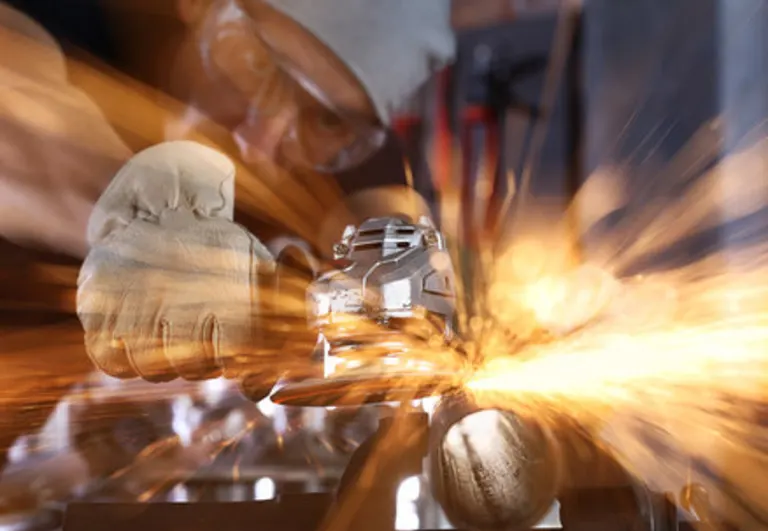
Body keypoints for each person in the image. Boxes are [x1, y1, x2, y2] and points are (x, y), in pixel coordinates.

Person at [0, 1, 456, 402]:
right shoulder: (64, 23)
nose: (260, 142)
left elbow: (379, 214)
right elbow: (23, 126)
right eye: (258, 66)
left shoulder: (277, 173)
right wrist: (150, 232)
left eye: (327, 121)